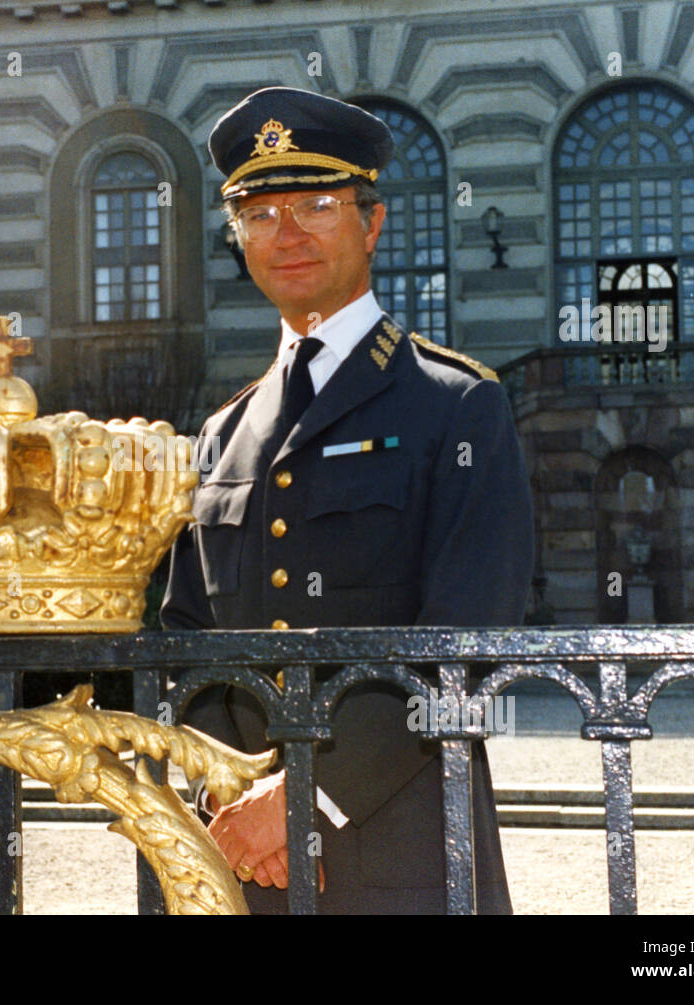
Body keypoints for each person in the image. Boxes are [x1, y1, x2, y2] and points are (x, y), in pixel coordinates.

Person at [161, 87, 534, 913]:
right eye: (260, 214)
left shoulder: (456, 405)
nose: (286, 234)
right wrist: (233, 796)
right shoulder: (223, 432)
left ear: (372, 223)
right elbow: (187, 641)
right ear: (237, 238)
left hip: (400, 849)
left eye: (318, 206)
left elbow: (460, 645)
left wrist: (306, 803)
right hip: (244, 858)